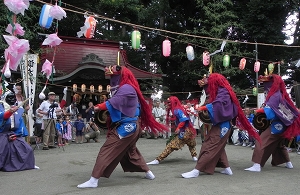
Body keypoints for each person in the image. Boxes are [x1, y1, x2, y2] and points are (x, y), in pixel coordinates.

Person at [77, 65, 168, 188]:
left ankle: (94, 180)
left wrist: (98, 107)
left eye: (114, 76)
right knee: (130, 152)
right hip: (131, 127)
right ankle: (148, 172)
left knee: (106, 150)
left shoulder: (126, 88)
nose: (112, 79)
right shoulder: (127, 88)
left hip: (127, 127)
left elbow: (113, 102)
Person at [181, 73, 260, 178]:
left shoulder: (223, 91)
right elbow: (211, 98)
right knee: (219, 147)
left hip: (224, 125)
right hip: (222, 124)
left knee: (209, 145)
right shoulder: (221, 90)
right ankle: (227, 169)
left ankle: (197, 170)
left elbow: (219, 103)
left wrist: (205, 108)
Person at [244, 74, 300, 172]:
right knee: (279, 144)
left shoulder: (275, 95)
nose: (265, 87)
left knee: (261, 141)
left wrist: (261, 111)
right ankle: (288, 163)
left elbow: (272, 114)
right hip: (283, 124)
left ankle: (257, 165)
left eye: (266, 84)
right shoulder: (279, 94)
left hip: (277, 125)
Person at [147, 96, 198, 165]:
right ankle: (194, 157)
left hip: (186, 131)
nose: (167, 104)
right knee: (191, 144)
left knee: (172, 145)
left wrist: (178, 128)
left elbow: (184, 120)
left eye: (169, 102)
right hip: (188, 130)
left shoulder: (177, 110)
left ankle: (158, 159)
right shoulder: (176, 109)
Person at [0, 90, 39, 171]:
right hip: (2, 134)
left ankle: (30, 164)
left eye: (13, 98)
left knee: (28, 149)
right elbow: (2, 117)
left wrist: (16, 134)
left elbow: (19, 124)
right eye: (9, 98)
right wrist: (9, 112)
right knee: (2, 151)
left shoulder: (18, 110)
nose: (12, 100)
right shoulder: (1, 107)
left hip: (14, 134)